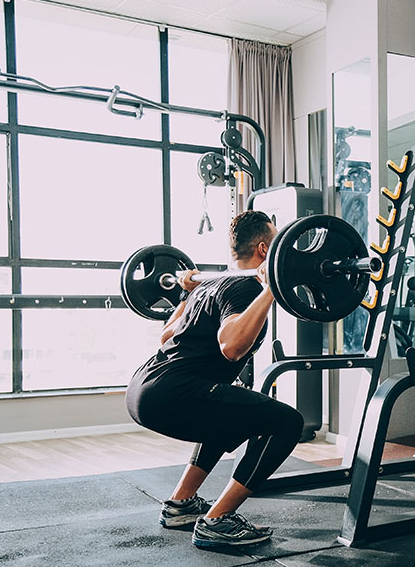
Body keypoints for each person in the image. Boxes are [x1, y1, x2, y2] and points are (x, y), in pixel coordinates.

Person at [125, 210, 303, 548]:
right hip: (172, 392)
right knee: (287, 423)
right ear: (265, 250)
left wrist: (184, 293)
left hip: (144, 387)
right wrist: (270, 290)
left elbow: (166, 337)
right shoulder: (246, 287)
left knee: (228, 407)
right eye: (278, 243)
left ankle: (181, 504)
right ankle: (217, 520)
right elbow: (232, 347)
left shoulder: (211, 285)